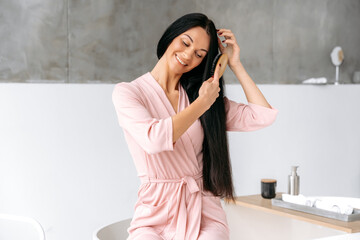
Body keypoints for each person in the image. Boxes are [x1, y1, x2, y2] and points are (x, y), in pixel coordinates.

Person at [112, 12, 278, 240]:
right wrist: (202, 104)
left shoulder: (199, 94)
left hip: (204, 213)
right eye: (185, 43)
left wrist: (235, 65)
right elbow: (154, 139)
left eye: (199, 54)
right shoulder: (129, 93)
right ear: (171, 36)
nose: (188, 55)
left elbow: (262, 115)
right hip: (153, 214)